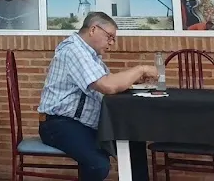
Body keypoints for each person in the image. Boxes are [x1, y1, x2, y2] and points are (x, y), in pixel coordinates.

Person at [38, 12, 157, 181]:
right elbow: (107, 85)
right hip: (58, 124)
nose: (111, 44)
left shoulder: (91, 56)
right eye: (109, 37)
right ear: (93, 29)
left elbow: (111, 82)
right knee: (98, 164)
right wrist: (140, 69)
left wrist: (134, 79)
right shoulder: (74, 50)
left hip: (83, 124)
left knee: (134, 142)